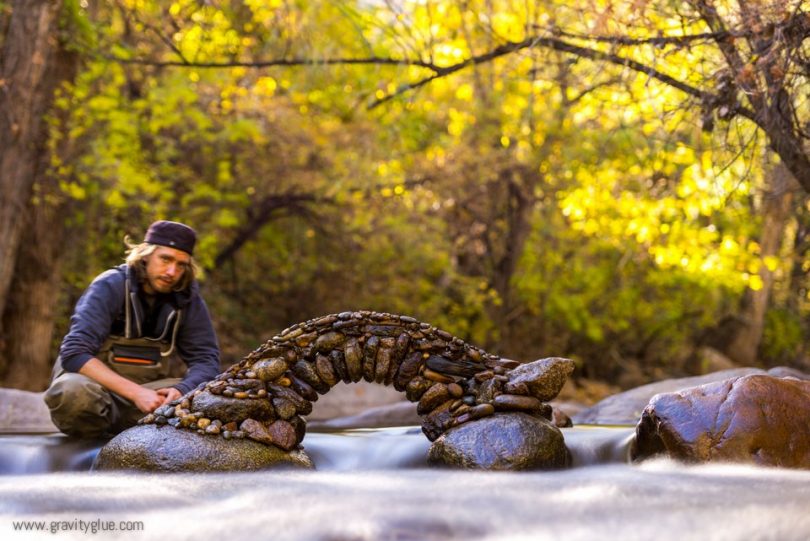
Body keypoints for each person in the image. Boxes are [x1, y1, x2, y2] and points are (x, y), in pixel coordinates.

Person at [44, 220, 221, 438]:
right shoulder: (109, 285)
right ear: (146, 254)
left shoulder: (188, 300)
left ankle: (133, 438)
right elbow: (74, 353)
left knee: (206, 396)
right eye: (165, 259)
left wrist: (182, 390)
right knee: (71, 393)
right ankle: (94, 447)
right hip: (92, 392)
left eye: (181, 264)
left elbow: (206, 360)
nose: (172, 271)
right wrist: (137, 393)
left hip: (145, 399)